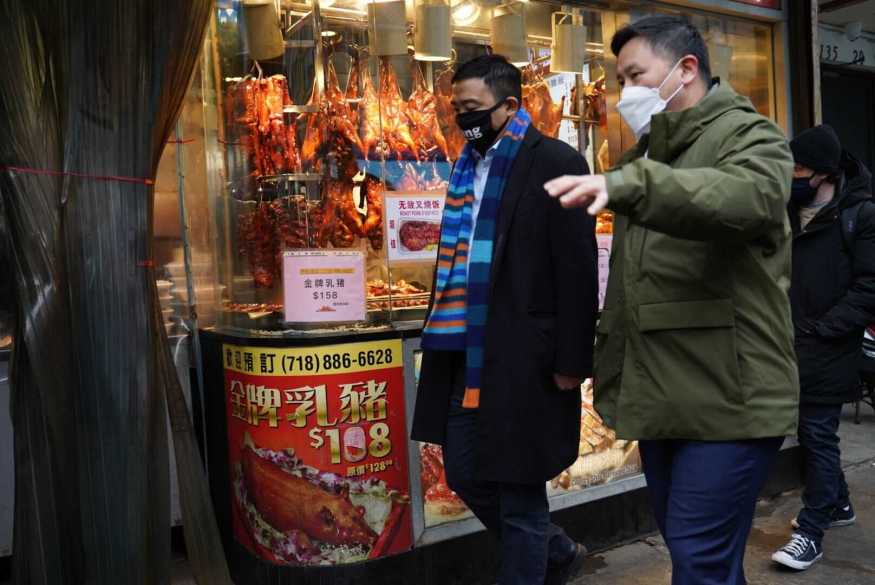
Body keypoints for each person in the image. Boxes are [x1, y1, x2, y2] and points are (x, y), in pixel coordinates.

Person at [543, 15, 799, 585]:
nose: (624, 92)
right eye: (620, 79)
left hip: (731, 397)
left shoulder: (747, 135)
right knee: (702, 558)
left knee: (699, 558)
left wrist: (628, 185)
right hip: (666, 398)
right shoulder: (650, 153)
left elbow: (749, 197)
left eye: (636, 75)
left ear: (685, 69)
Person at [411, 54, 598, 585]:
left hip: (524, 355)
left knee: (518, 489)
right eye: (456, 108)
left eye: (471, 107)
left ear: (509, 105)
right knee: (465, 472)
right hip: (463, 351)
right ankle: (556, 551)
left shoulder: (556, 162)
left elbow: (578, 270)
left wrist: (572, 360)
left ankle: (531, 567)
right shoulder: (466, 166)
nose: (461, 118)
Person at [771, 125, 875, 571]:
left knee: (815, 433)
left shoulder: (859, 214)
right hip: (792, 340)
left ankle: (811, 532)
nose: (792, 176)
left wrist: (825, 328)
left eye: (799, 168)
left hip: (830, 343)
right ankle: (840, 505)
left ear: (823, 174)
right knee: (811, 431)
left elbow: (869, 286)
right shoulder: (788, 213)